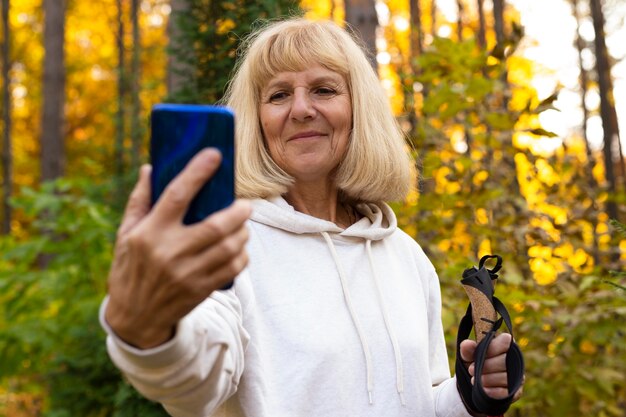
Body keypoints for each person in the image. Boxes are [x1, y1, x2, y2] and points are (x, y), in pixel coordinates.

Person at [100, 17, 522, 417]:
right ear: (256, 120)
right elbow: (195, 383)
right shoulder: (229, 240)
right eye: (279, 94)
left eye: (323, 90)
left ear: (359, 110)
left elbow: (419, 400)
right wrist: (150, 333)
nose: (301, 109)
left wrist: (469, 393)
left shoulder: (405, 256)